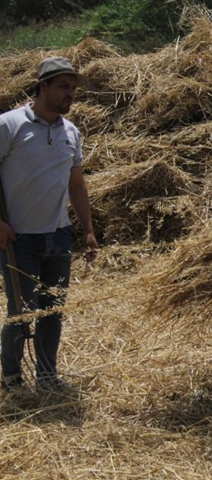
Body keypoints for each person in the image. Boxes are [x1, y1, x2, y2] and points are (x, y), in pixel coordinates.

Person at [0, 56, 98, 391]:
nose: (70, 94)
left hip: (57, 237)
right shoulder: (9, 126)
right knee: (22, 311)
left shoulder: (71, 132)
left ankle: (46, 376)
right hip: (18, 238)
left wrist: (87, 230)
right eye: (63, 87)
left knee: (52, 310)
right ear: (43, 87)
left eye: (73, 88)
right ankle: (12, 378)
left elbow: (77, 185)